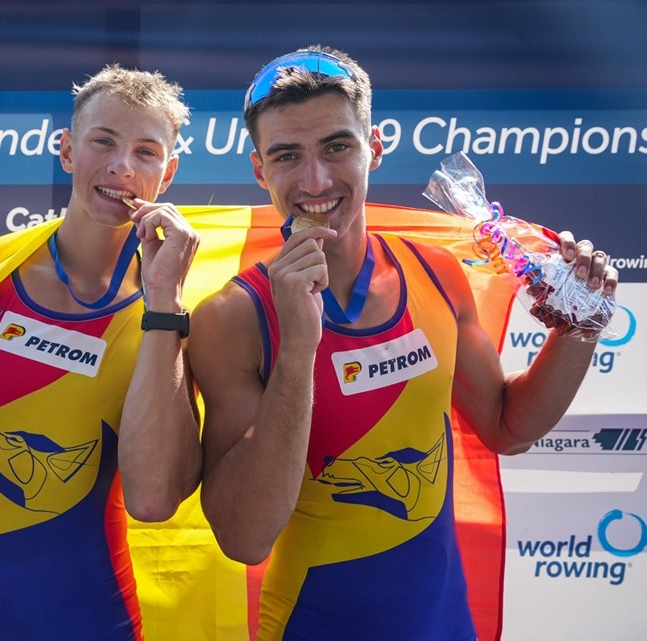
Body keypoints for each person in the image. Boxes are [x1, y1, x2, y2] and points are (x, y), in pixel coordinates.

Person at [186, 45, 618, 641]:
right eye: (288, 155)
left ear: (375, 147)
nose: (315, 180)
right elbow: (244, 537)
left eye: (337, 146)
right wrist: (298, 349)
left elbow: (506, 426)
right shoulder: (231, 317)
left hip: (444, 625)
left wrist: (581, 327)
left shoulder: (434, 272)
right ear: (261, 171)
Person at [0, 64, 203, 640]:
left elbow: (156, 497)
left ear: (167, 173)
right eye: (103, 141)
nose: (122, 167)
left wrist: (163, 306)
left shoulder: (174, 311)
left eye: (145, 152)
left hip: (94, 613)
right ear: (67, 150)